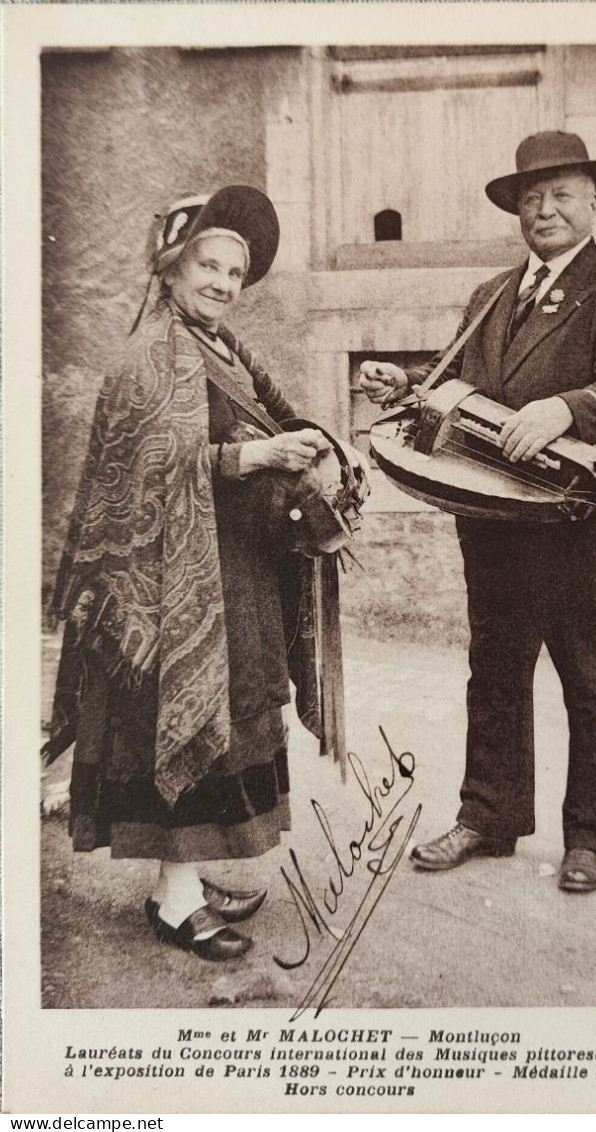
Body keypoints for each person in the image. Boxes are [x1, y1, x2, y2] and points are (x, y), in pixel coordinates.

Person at [43, 185, 360, 959]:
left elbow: (285, 416)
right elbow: (145, 471)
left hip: (234, 570)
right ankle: (174, 900)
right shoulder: (150, 354)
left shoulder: (226, 348)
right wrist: (251, 456)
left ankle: (188, 876)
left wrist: (322, 448)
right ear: (172, 271)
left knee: (235, 717)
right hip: (168, 587)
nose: (222, 282)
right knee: (174, 717)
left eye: (234, 272)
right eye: (207, 266)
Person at [360, 131, 596, 893]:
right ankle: (489, 816)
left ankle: (587, 838)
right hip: (491, 516)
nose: (546, 209)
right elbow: (459, 379)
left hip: (576, 520)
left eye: (561, 194)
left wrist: (563, 410)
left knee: (590, 684)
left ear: (593, 201)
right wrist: (409, 383)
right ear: (517, 212)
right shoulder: (490, 293)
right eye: (532, 198)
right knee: (493, 670)